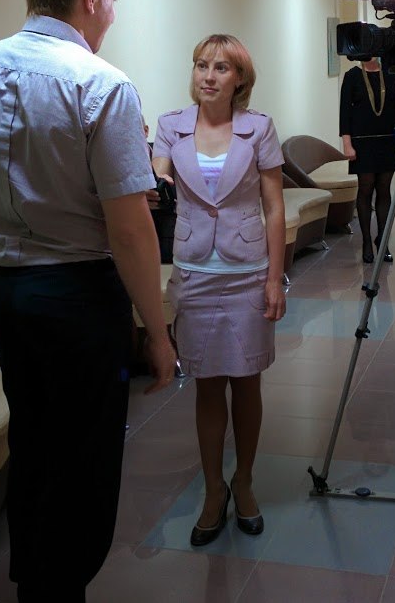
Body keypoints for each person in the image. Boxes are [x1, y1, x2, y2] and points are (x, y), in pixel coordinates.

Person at [0, 0, 177, 602]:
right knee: (84, 460)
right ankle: (60, 587)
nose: (115, 11)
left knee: (33, 443)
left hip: (5, 292)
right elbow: (130, 230)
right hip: (76, 297)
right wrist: (157, 333)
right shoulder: (100, 82)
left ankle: (35, 581)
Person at [151, 33, 286, 547]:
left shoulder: (258, 129)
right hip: (194, 274)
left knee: (247, 382)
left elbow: (274, 206)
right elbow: (157, 180)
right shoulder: (171, 127)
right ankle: (214, 489)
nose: (208, 76)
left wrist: (274, 279)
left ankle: (243, 481)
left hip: (248, 271)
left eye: (221, 68)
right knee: (207, 386)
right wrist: (147, 177)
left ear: (240, 79)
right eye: (202, 65)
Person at [340, 57, 395, 263]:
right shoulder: (352, 76)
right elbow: (345, 112)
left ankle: (383, 240)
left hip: (386, 140)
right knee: (366, 188)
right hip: (362, 142)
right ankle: (367, 241)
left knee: (384, 190)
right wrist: (347, 143)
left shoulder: (391, 74)